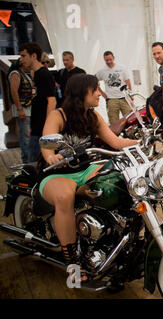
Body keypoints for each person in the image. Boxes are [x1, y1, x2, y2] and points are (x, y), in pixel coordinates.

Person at [40, 74, 137, 282]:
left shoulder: (93, 117)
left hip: (85, 170)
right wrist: (51, 156)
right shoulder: (58, 115)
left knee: (118, 179)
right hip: (56, 173)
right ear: (81, 92)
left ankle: (110, 237)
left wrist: (141, 142)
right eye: (95, 90)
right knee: (65, 196)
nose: (99, 94)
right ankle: (72, 263)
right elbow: (46, 144)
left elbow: (116, 143)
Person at [19, 42, 57, 162]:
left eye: (24, 56)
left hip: (42, 130)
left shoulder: (44, 74)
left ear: (33, 56)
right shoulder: (36, 74)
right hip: (37, 128)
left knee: (36, 163)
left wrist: (47, 127)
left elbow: (52, 101)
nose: (21, 59)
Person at [8, 60, 34, 163]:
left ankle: (30, 160)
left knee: (28, 136)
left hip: (28, 109)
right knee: (25, 137)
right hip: (23, 110)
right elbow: (14, 91)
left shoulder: (24, 74)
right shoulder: (16, 74)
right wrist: (19, 109)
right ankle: (26, 161)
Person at [95, 51, 132, 124]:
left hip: (124, 98)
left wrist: (130, 94)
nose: (109, 62)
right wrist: (102, 93)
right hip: (111, 100)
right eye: (106, 60)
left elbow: (127, 81)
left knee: (130, 119)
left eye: (110, 59)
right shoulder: (102, 71)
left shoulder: (122, 68)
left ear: (113, 58)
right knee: (114, 122)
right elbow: (94, 80)